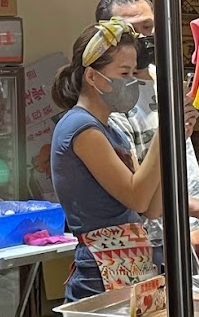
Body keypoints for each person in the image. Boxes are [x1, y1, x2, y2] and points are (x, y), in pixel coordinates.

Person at [98, 0, 199, 272]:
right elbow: (135, 189)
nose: (142, 38)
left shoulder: (165, 81)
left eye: (148, 27)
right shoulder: (109, 99)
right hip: (130, 244)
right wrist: (196, 209)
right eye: (130, 31)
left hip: (174, 231)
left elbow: (183, 158)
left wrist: (190, 226)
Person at [51, 19, 164, 302]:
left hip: (130, 266)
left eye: (134, 72)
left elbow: (152, 207)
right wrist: (165, 133)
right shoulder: (81, 128)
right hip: (99, 273)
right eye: (124, 72)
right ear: (92, 76)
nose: (132, 81)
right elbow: (137, 197)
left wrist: (175, 138)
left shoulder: (113, 131)